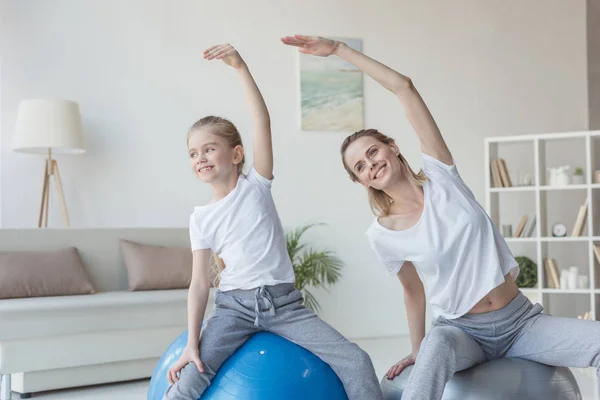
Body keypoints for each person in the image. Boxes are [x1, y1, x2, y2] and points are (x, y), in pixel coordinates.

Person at [281, 34, 600, 400]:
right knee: (435, 349)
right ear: (359, 180)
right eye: (360, 166)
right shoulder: (382, 234)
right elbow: (412, 290)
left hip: (521, 322)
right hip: (461, 330)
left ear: (393, 147)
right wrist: (418, 349)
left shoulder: (443, 176)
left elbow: (404, 88)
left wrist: (340, 51)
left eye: (373, 152)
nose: (371, 164)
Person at [164, 42, 383, 400]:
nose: (200, 157)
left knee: (356, 360)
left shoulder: (257, 185)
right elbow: (200, 284)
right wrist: (192, 342)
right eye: (192, 153)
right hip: (232, 309)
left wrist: (240, 67)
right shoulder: (200, 218)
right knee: (190, 380)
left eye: (208, 148)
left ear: (236, 154)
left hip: (285, 306)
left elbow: (260, 119)